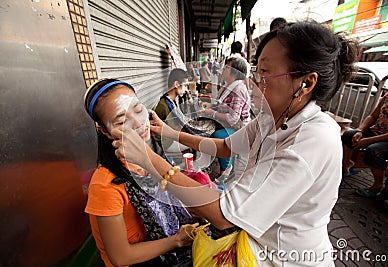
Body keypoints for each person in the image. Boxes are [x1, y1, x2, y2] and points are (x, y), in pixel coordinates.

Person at [112, 21, 359, 266]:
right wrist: (170, 133)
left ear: (306, 83)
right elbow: (224, 147)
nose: (251, 82)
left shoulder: (313, 140)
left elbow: (223, 217)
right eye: (255, 70)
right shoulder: (270, 117)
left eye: (264, 72)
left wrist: (148, 158)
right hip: (255, 244)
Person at [83, 78, 198, 267]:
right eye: (121, 121)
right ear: (104, 130)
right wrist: (176, 240)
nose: (138, 123)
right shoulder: (105, 185)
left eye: (138, 109)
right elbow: (121, 257)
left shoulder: (144, 157)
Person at [199, 56, 251, 179]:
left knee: (218, 138)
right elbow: (222, 105)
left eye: (227, 67)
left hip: (238, 128)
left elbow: (233, 119)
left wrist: (210, 112)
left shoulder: (238, 90)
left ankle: (226, 170)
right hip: (227, 124)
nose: (223, 69)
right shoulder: (229, 86)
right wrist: (210, 105)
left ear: (235, 72)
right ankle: (209, 162)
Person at [342, 89, 388, 197]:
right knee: (348, 135)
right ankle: (347, 165)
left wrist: (370, 140)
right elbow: (373, 116)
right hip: (377, 131)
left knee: (373, 150)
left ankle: (378, 185)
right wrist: (360, 131)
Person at [154, 68, 191, 153]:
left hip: (172, 136)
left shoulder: (171, 101)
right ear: (177, 84)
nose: (186, 90)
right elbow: (174, 129)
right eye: (185, 85)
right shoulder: (164, 105)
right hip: (168, 143)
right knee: (198, 142)